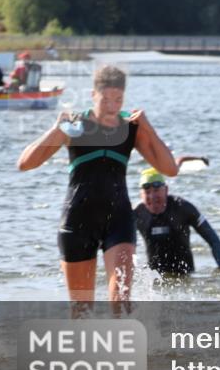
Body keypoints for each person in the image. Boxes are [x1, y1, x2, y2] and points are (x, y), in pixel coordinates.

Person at [17, 65, 178, 307]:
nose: (112, 106)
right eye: (106, 100)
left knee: (121, 303)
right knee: (82, 312)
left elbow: (170, 169)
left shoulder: (132, 127)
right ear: (93, 95)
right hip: (77, 222)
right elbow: (25, 164)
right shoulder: (75, 125)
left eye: (118, 100)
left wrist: (148, 127)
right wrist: (56, 128)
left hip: (119, 220)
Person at [134, 167, 220, 276]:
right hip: (154, 279)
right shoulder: (136, 213)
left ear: (166, 190)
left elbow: (213, 240)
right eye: (147, 192)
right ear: (141, 195)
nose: (152, 197)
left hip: (185, 275)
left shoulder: (183, 208)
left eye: (156, 191)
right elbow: (123, 245)